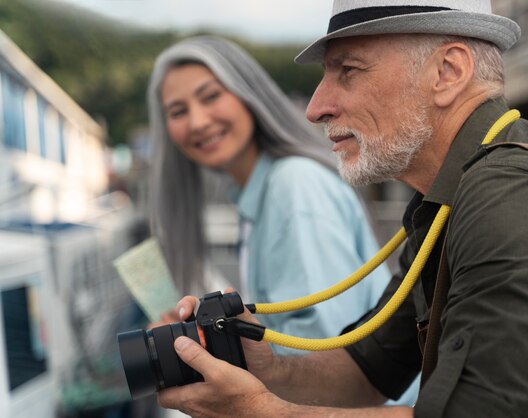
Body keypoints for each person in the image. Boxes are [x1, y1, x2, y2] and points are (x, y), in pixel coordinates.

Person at [157, 1, 528, 417]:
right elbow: (370, 371)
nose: (316, 107)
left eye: (349, 71)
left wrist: (259, 412)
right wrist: (266, 364)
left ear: (448, 72)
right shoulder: (451, 196)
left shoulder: (515, 201)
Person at [147, 36, 392, 356]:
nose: (198, 121)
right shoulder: (259, 195)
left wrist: (202, 348)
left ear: (248, 94)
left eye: (210, 97)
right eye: (178, 111)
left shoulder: (294, 184)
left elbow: (323, 346)